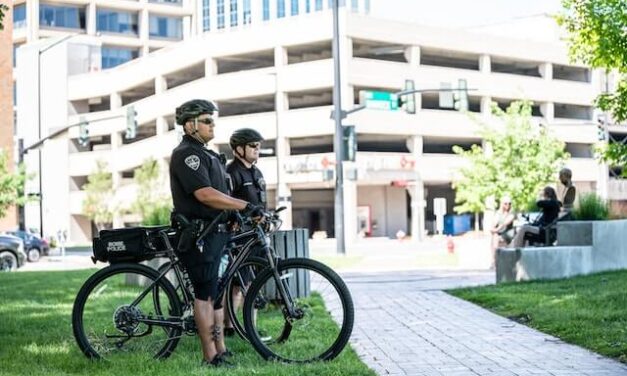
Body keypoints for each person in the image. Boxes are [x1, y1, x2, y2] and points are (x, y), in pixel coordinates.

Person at [169, 99, 265, 367]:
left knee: (217, 293)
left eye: (213, 120)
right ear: (190, 125)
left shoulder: (209, 154)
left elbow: (221, 195)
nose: (213, 125)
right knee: (205, 294)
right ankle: (209, 355)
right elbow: (205, 194)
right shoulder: (187, 155)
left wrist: (234, 213)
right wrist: (245, 205)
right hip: (199, 235)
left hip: (217, 233)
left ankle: (221, 348)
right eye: (207, 120)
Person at [223, 128, 267, 337]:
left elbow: (260, 201)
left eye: (258, 145)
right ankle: (229, 326)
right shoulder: (231, 173)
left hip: (257, 235)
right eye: (253, 145)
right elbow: (227, 203)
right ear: (239, 149)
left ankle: (252, 328)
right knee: (238, 284)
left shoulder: (256, 172)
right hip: (240, 236)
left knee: (255, 282)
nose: (257, 148)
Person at [490, 196, 515, 267]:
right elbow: (493, 224)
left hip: (508, 234)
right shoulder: (498, 213)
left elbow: (504, 224)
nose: (508, 205)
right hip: (499, 233)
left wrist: (495, 230)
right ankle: (494, 261)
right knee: (495, 237)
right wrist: (494, 230)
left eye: (509, 203)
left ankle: (495, 262)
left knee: (495, 236)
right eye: (505, 203)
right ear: (502, 204)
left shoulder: (511, 214)